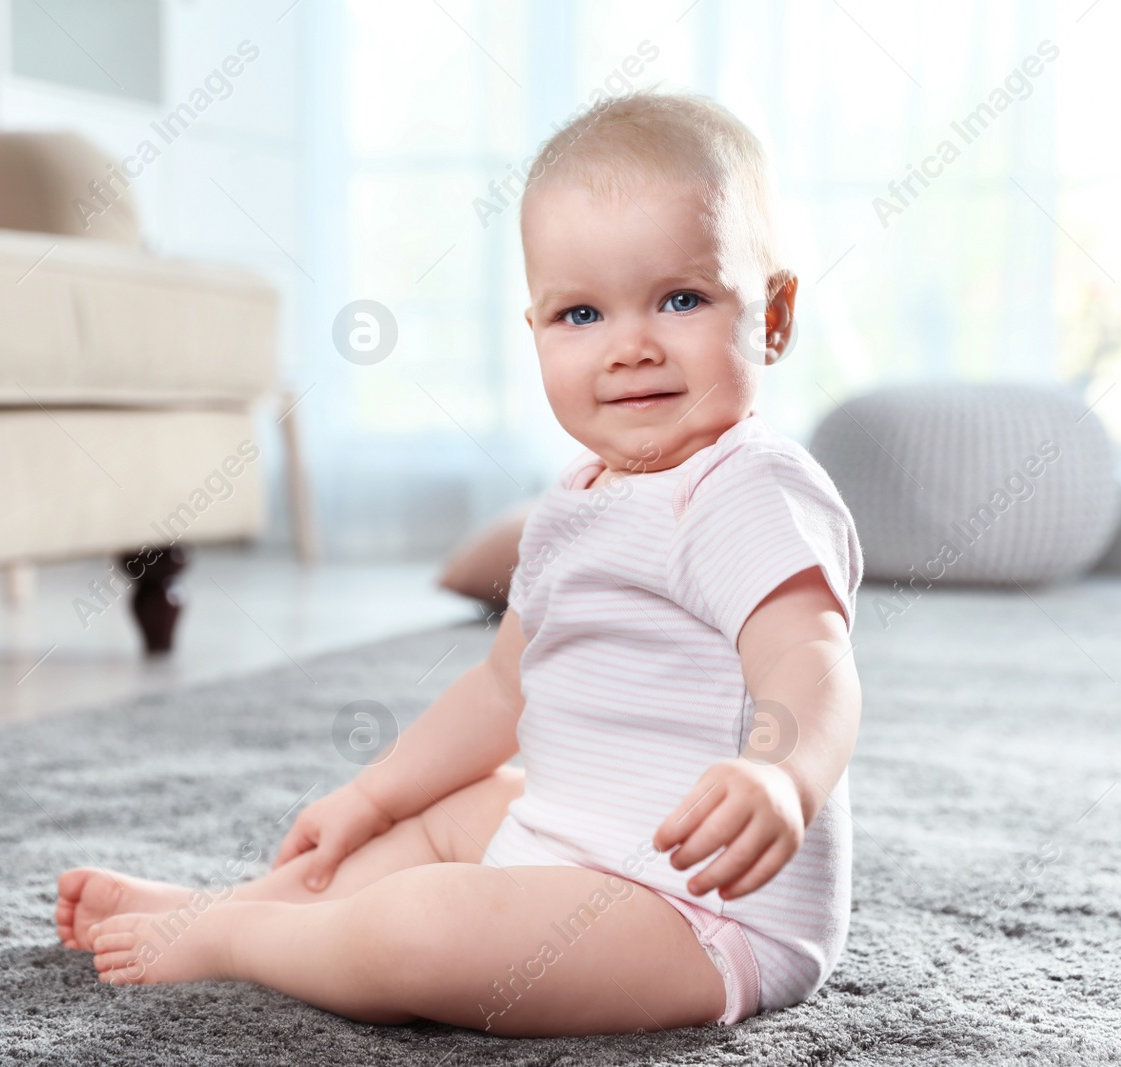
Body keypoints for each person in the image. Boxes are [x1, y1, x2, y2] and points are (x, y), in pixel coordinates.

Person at [55, 88, 864, 1037]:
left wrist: (780, 775)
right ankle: (247, 897)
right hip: (565, 835)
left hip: (700, 912)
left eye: (681, 298)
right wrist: (368, 796)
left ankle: (238, 939)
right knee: (436, 823)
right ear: (535, 332)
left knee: (422, 925)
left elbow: (810, 663)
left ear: (772, 314)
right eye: (581, 314)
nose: (631, 346)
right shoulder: (572, 502)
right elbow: (498, 689)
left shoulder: (748, 489)